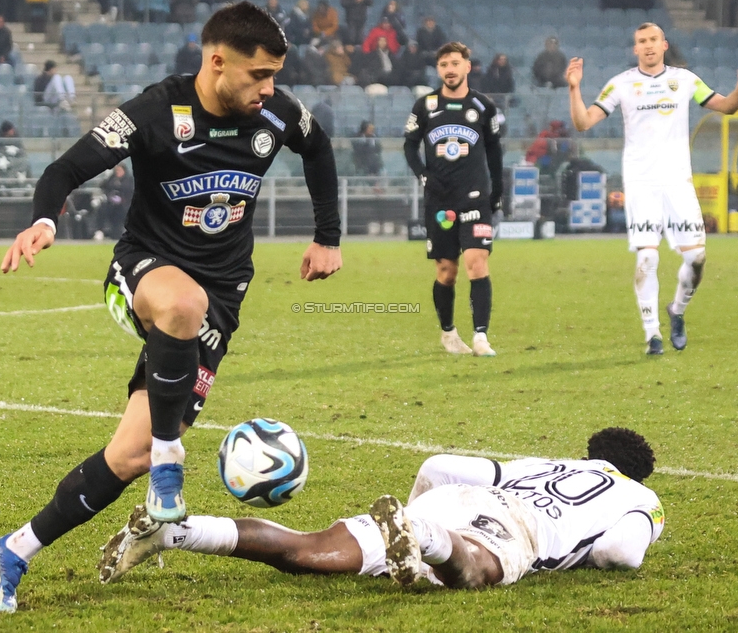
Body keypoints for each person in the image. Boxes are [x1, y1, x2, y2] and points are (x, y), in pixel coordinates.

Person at [0, 1, 342, 615]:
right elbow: (66, 168)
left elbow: (320, 148)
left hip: (221, 301)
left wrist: (327, 235)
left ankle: (15, 549)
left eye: (276, 75)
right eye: (259, 76)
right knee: (181, 303)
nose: (271, 89)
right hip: (143, 272)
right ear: (217, 61)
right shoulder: (157, 110)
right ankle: (170, 467)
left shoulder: (277, 114)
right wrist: (44, 219)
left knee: (129, 454)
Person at [99, 428, 664, 590]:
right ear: (634, 472)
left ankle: (177, 533)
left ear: (590, 454)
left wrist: (427, 509)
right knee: (478, 572)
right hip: (508, 528)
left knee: (308, 549)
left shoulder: (545, 462)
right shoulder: (640, 497)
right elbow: (619, 551)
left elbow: (442, 463)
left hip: (455, 499)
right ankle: (426, 538)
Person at [567, 22, 738, 354]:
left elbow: (727, 107)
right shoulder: (621, 84)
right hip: (641, 185)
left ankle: (677, 311)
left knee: (697, 258)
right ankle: (651, 333)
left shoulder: (685, 81)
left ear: (664, 45)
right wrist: (574, 88)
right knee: (647, 259)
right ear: (635, 49)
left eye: (653, 39)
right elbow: (583, 122)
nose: (648, 45)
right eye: (642, 41)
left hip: (677, 183)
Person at [404, 42, 503, 357]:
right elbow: (409, 146)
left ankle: (481, 337)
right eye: (444, 64)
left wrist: (497, 190)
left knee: (478, 263)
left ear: (467, 67)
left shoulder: (483, 106)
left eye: (455, 63)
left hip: (474, 198)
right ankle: (448, 333)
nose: (450, 69)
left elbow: (495, 150)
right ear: (439, 69)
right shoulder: (425, 105)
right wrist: (423, 175)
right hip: (439, 201)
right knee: (447, 271)